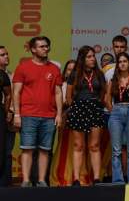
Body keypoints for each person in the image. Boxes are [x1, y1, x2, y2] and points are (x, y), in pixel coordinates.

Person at [12, 36, 63, 187]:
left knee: (45, 150)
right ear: (33, 49)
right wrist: (17, 114)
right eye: (41, 46)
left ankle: (41, 180)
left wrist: (59, 114)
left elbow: (58, 93)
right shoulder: (23, 67)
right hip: (28, 115)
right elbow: (16, 92)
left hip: (49, 116)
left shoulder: (54, 69)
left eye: (47, 46)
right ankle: (26, 180)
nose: (45, 49)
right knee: (27, 149)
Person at [65, 46, 107, 186]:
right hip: (79, 110)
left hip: (95, 109)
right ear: (82, 59)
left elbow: (103, 93)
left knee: (94, 145)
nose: (92, 59)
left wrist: (98, 104)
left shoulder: (99, 74)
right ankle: (76, 178)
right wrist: (75, 108)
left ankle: (96, 178)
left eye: (93, 56)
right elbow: (68, 96)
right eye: (89, 56)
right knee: (78, 145)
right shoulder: (75, 74)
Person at [104, 52, 129, 184]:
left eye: (125, 61)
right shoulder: (113, 80)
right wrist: (113, 110)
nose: (122, 63)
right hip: (116, 113)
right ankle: (118, 180)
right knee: (116, 150)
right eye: (120, 61)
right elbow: (107, 99)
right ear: (117, 64)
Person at [0, 46, 14, 187]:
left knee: (6, 150)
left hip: (8, 116)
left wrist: (9, 112)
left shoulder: (11, 75)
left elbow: (11, 95)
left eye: (6, 54)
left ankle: (5, 183)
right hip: (4, 114)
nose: (6, 56)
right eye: (2, 54)